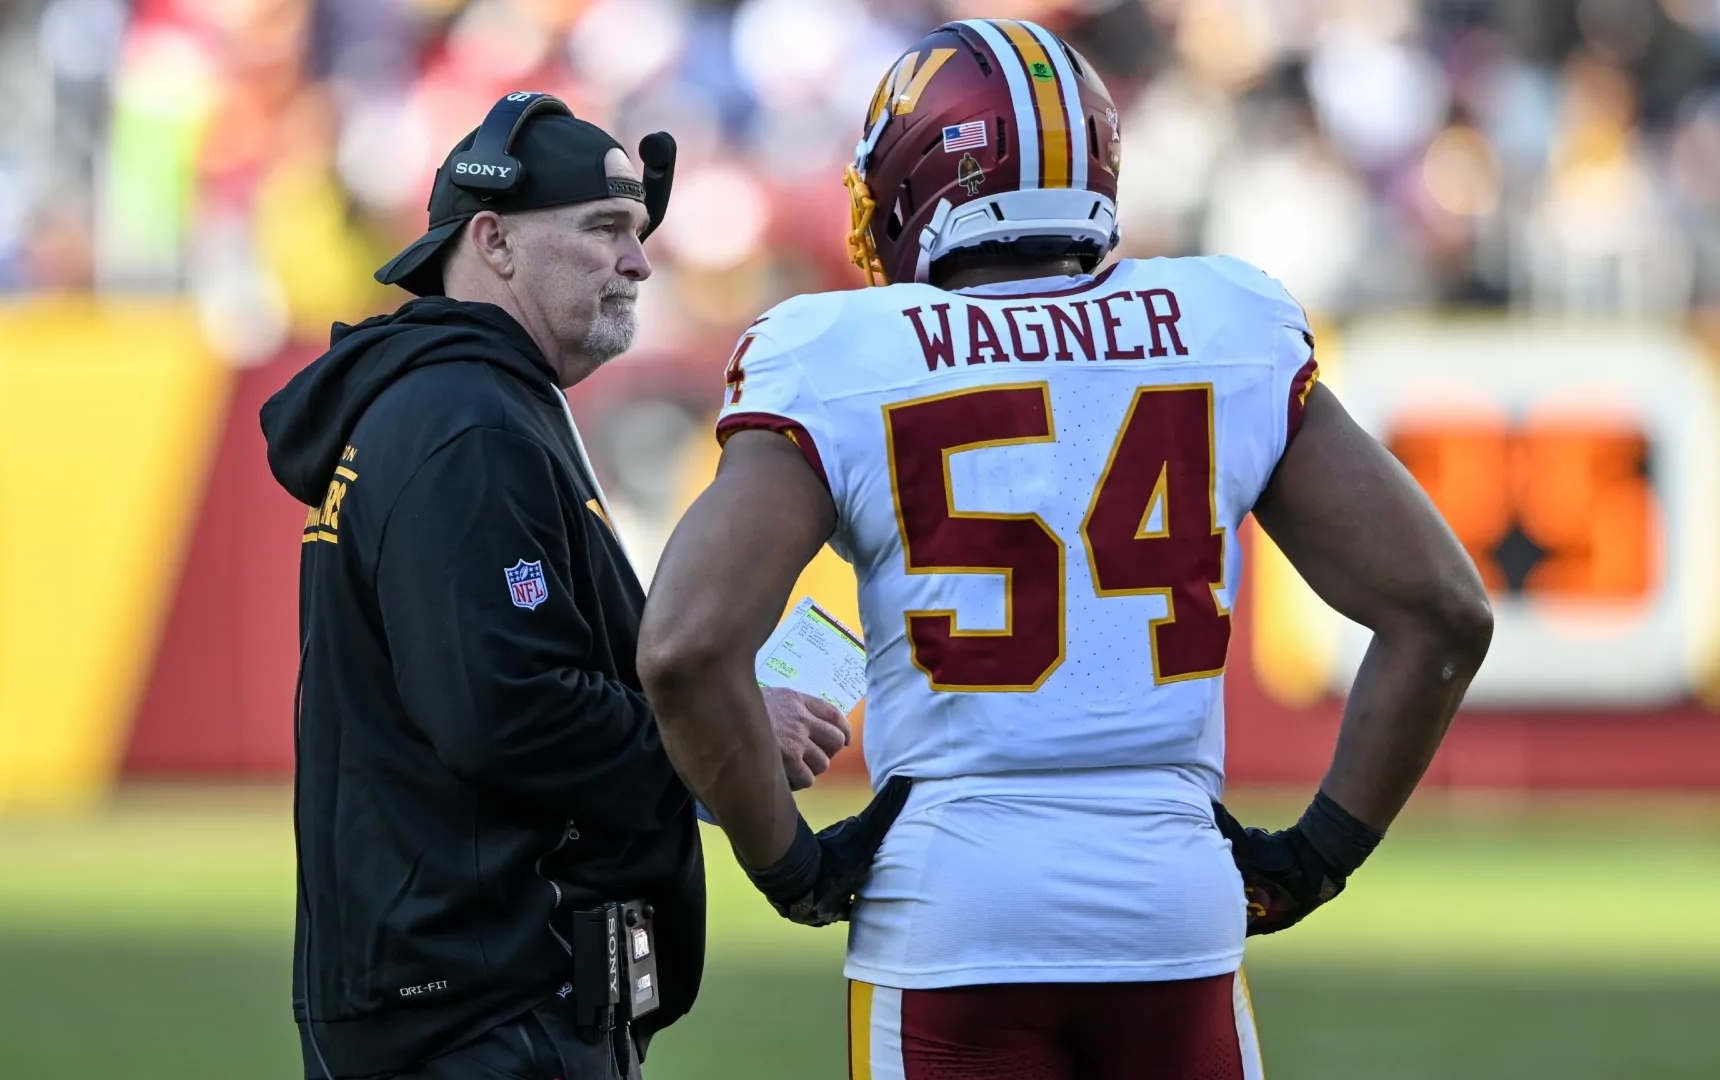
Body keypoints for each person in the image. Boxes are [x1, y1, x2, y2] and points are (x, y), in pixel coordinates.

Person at [638, 19, 1494, 1080]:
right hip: (1173, 897)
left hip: (950, 902)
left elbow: (683, 648)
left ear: (916, 183)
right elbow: (1444, 614)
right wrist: (1319, 855)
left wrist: (790, 865)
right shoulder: (1224, 322)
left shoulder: (835, 354)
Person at [260, 93, 850, 1080]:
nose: (639, 260)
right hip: (480, 1009)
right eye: (605, 228)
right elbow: (507, 714)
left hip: (462, 995)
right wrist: (722, 729)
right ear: (491, 240)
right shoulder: (467, 422)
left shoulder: (470, 400)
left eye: (638, 231)